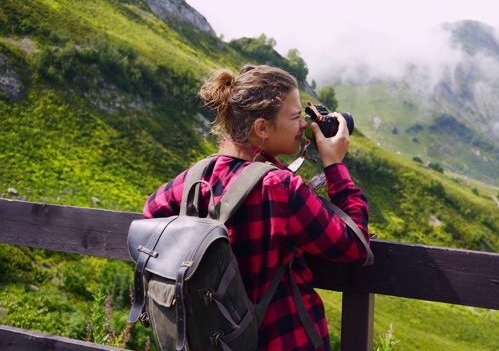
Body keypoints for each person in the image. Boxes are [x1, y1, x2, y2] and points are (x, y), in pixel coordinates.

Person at [142, 64, 370, 350]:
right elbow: (354, 245)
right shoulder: (280, 187)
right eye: (297, 116)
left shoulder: (196, 178)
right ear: (262, 128)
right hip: (282, 340)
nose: (304, 125)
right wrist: (335, 165)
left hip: (214, 340)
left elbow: (151, 213)